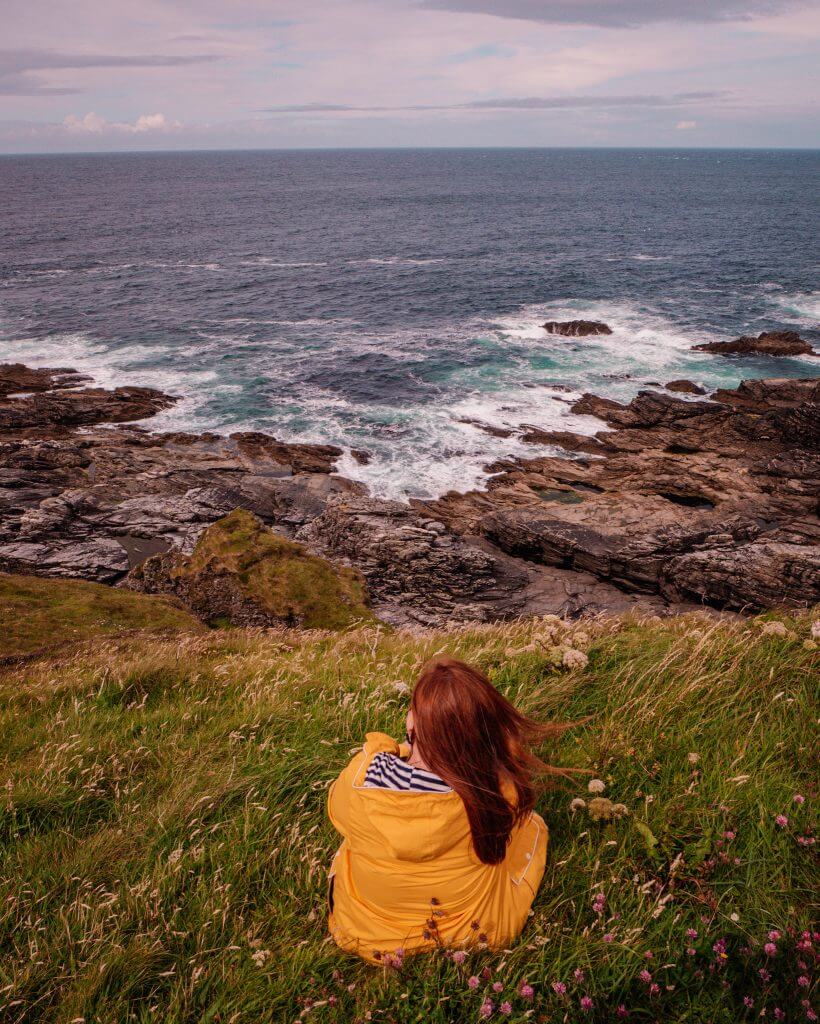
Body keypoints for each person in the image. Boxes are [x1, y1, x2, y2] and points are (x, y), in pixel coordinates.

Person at [326, 655, 565, 963]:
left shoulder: (360, 776)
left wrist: (400, 750)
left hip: (366, 929)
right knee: (531, 826)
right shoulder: (494, 791)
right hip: (471, 927)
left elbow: (337, 807)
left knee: (355, 838)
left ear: (413, 721)